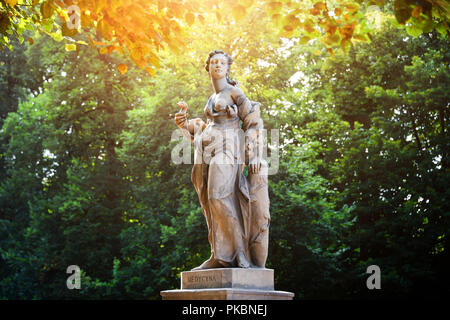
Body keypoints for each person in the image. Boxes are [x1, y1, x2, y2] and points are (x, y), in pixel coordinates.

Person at [174, 50, 270, 269]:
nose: (217, 65)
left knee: (219, 197)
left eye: (222, 62)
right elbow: (204, 127)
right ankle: (218, 256)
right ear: (208, 67)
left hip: (228, 148)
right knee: (210, 202)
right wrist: (183, 124)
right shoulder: (211, 98)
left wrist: (254, 154)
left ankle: (240, 253)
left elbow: (252, 121)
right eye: (214, 62)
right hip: (209, 149)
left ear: (227, 68)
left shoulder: (235, 92)